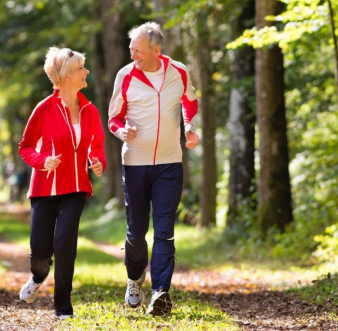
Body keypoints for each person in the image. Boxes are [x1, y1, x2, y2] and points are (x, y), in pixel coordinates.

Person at [108, 22, 199, 316]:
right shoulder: (125, 75)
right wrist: (122, 132)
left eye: (138, 50)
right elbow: (113, 119)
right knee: (136, 232)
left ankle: (160, 292)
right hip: (135, 163)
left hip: (170, 163)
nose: (132, 54)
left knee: (165, 230)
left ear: (156, 50)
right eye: (131, 49)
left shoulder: (179, 71)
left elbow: (190, 101)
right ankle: (135, 279)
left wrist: (190, 127)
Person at [17, 46, 106, 320]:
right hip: (45, 188)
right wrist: (42, 161)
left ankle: (63, 308)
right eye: (81, 68)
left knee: (65, 243)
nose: (86, 72)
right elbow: (25, 146)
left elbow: (97, 145)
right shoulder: (44, 109)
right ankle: (38, 275)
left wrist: (97, 161)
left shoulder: (89, 110)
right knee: (40, 254)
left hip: (76, 186)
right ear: (66, 75)